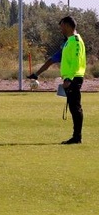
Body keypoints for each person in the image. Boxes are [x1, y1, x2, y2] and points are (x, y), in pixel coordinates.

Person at [28, 16, 86, 144]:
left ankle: (77, 137)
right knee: (73, 107)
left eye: (61, 26)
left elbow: (76, 62)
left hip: (74, 78)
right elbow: (52, 60)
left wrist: (69, 79)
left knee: (76, 108)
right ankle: (76, 136)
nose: (61, 29)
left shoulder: (75, 41)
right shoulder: (68, 42)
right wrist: (37, 74)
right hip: (70, 78)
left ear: (67, 25)